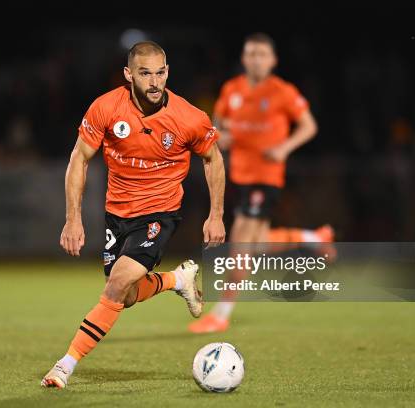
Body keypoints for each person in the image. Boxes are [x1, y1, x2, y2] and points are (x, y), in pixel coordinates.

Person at [42, 41, 226, 388]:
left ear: (168, 72)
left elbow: (213, 158)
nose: (154, 82)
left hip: (160, 212)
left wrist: (216, 214)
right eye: (145, 74)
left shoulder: (189, 117)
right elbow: (79, 158)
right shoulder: (106, 108)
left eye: (160, 73)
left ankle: (64, 366)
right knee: (124, 296)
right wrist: (73, 218)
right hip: (117, 214)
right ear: (129, 75)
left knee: (115, 287)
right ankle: (177, 281)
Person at [189, 33, 318, 333]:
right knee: (257, 245)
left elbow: (309, 125)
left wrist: (284, 148)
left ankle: (221, 314)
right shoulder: (231, 89)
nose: (256, 59)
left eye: (262, 54)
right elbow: (216, 126)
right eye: (251, 54)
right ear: (244, 58)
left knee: (240, 244)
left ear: (272, 60)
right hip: (239, 176)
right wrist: (223, 136)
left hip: (266, 177)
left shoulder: (282, 91)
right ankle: (312, 237)